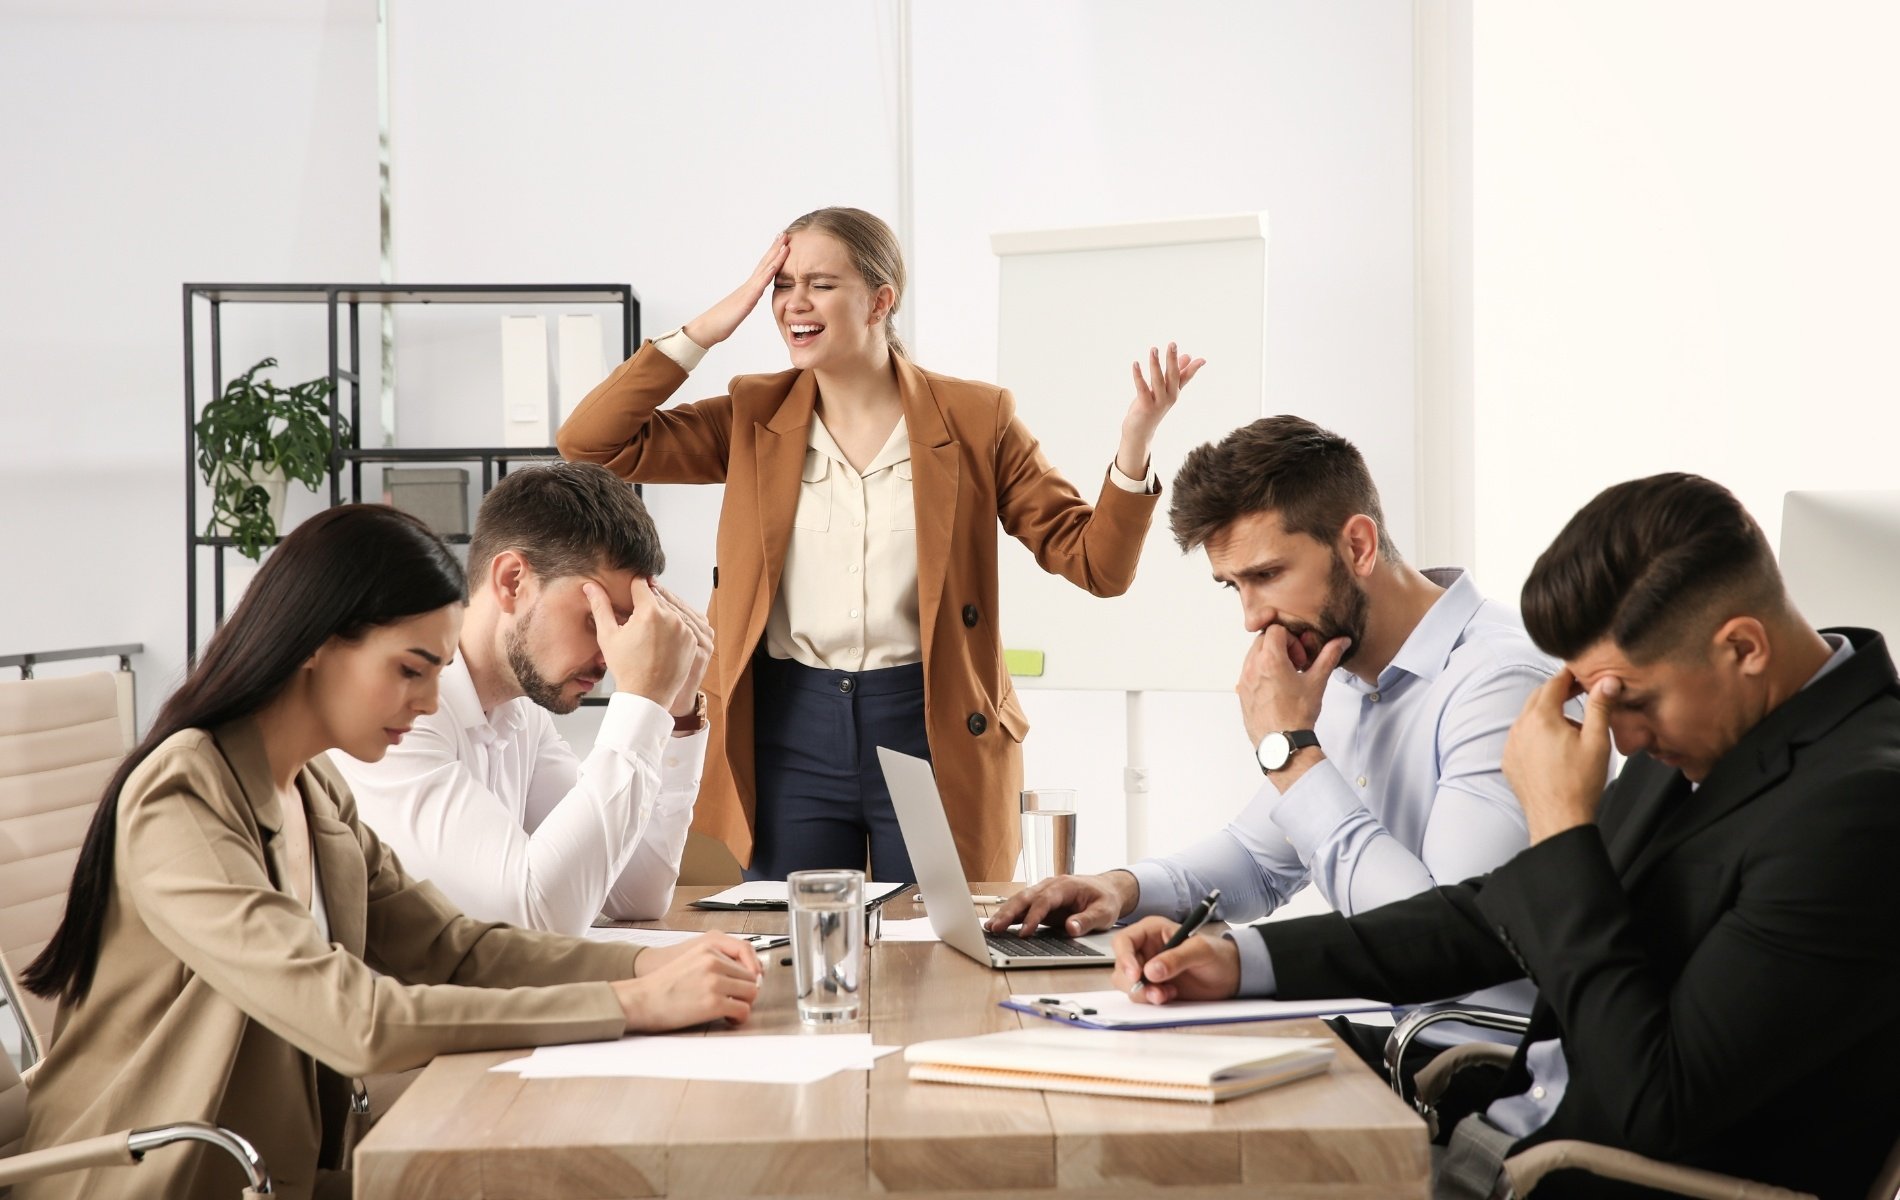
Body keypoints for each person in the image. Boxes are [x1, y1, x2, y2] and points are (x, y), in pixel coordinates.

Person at [1110, 473, 1900, 1199]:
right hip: (1500, 1141)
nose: (1617, 738)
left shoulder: (1862, 810)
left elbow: (1656, 1105)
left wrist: (1561, 827)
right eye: (1594, 697)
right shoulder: (1706, 724)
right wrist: (1239, 960)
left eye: (1628, 701)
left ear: (1741, 648)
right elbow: (1491, 914)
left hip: (1583, 1179)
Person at [18, 505, 762, 1200]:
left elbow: (454, 949)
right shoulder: (183, 793)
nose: (432, 702)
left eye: (438, 672)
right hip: (160, 1177)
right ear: (315, 642)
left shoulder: (313, 791)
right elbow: (358, 1020)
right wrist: (628, 1004)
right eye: (410, 669)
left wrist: (645, 963)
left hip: (280, 1166)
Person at [558, 206, 1202, 882]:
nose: (792, 304)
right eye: (782, 285)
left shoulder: (976, 419)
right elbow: (591, 441)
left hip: (930, 724)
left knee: (939, 950)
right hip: (788, 730)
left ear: (880, 301)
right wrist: (712, 325)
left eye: (820, 284)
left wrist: (1134, 446)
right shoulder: (754, 414)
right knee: (796, 951)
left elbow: (1097, 565)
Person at [988, 415, 1550, 1060]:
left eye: (1267, 575)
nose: (1251, 617)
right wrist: (1122, 888)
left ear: (1359, 547)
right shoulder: (1336, 668)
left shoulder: (1500, 683)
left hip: (1473, 1064)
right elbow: (1260, 859)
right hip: (1387, 1033)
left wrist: (1288, 751)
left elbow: (1445, 943)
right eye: (1234, 586)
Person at [334, 462, 713, 932]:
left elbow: (637, 892)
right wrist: (642, 701)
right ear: (513, 581)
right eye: (597, 620)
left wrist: (676, 714)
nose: (612, 657)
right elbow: (538, 914)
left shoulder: (521, 717)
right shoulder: (401, 715)